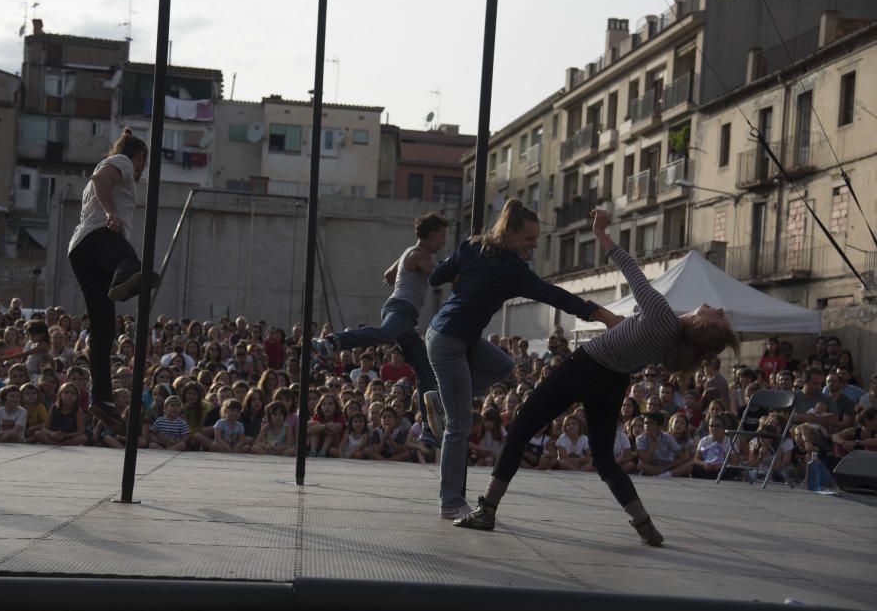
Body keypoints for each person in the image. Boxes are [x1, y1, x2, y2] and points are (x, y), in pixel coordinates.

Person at [456, 208, 738, 546]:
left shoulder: (663, 316)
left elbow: (632, 271)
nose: (716, 307)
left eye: (718, 315)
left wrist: (602, 232)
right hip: (613, 382)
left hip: (585, 367)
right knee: (604, 459)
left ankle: (487, 509)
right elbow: (634, 337)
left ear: (703, 325)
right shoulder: (675, 349)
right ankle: (644, 524)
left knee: (519, 431)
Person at [424, 199, 617, 520]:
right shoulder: (511, 270)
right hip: (447, 342)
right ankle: (450, 501)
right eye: (529, 238)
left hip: (455, 337)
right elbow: (554, 295)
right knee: (458, 425)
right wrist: (600, 313)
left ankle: (442, 400)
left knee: (503, 365)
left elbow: (437, 277)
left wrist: (460, 265)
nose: (534, 244)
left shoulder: (473, 248)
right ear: (511, 233)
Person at [313, 213, 448, 439]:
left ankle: (428, 427)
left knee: (425, 369)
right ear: (432, 234)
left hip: (405, 314)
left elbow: (389, 273)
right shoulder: (420, 255)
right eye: (442, 237)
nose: (443, 242)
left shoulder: (408, 252)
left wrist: (400, 280)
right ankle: (332, 341)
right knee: (385, 334)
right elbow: (439, 276)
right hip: (401, 309)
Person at [67, 129, 156, 435]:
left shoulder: (122, 164)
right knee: (132, 263)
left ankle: (102, 398)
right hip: (99, 237)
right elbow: (101, 178)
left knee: (103, 330)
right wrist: (111, 214)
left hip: (80, 251)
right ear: (140, 156)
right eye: (144, 163)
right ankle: (124, 279)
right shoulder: (123, 161)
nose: (142, 171)